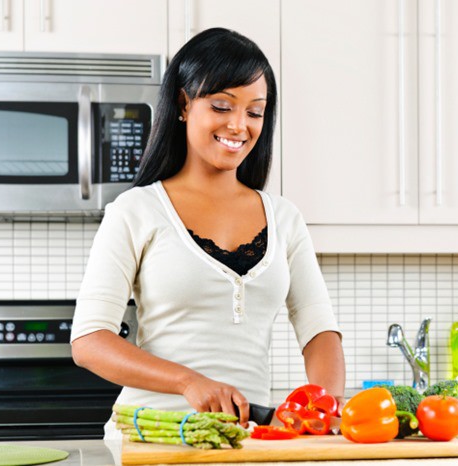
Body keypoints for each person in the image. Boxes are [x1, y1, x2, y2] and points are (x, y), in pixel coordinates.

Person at [70, 28, 346, 437]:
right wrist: (188, 381)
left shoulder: (285, 218)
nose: (239, 125)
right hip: (153, 436)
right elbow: (89, 341)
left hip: (243, 441)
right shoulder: (136, 210)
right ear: (184, 104)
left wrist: (323, 407)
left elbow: (320, 330)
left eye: (255, 112)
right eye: (221, 106)